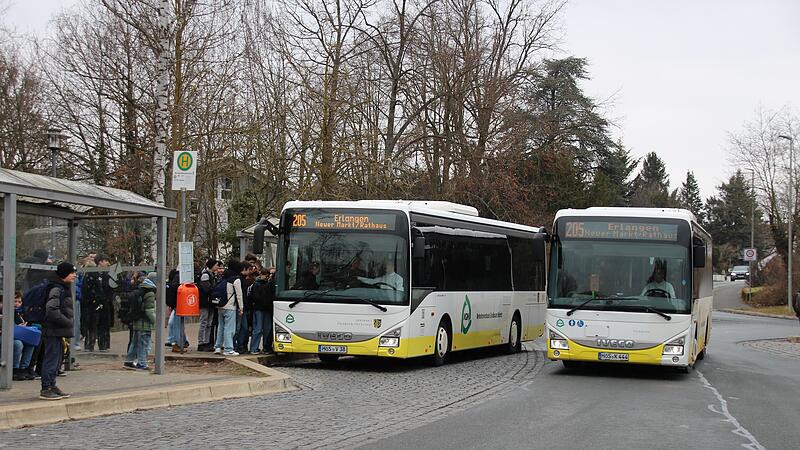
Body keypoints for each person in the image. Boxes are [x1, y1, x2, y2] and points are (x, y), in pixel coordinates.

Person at [39, 262, 76, 400]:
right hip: (53, 329)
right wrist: (66, 322)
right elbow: (51, 310)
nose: (74, 275)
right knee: (51, 359)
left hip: (57, 330)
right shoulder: (56, 289)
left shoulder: (62, 287)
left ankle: (52, 385)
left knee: (57, 359)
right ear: (64, 274)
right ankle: (46, 388)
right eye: (72, 273)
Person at [123, 272, 157, 371]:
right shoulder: (150, 292)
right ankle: (142, 363)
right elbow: (149, 310)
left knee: (135, 343)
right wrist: (156, 322)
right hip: (144, 323)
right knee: (144, 344)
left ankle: (129, 361)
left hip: (137, 321)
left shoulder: (141, 289)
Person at [83, 254, 114, 352]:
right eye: (106, 261)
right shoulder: (91, 273)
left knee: (104, 324)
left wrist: (107, 299)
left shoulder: (107, 274)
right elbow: (86, 289)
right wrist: (94, 299)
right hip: (93, 304)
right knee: (92, 324)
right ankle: (89, 345)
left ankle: (103, 345)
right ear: (100, 262)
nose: (108, 263)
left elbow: (112, 288)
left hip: (105, 303)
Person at [215, 260, 244, 356]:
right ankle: (228, 349)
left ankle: (218, 347)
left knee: (220, 327)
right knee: (229, 328)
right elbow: (239, 295)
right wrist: (241, 307)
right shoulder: (236, 279)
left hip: (220, 305)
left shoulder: (223, 277)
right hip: (230, 306)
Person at [197, 259, 221, 352]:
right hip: (205, 302)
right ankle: (201, 342)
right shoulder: (206, 275)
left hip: (210, 302)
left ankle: (206, 341)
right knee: (204, 322)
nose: (217, 267)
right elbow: (206, 289)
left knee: (209, 323)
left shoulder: (213, 275)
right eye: (216, 265)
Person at [249, 268, 274, 354]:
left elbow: (255, 297)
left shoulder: (256, 284)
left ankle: (254, 348)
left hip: (259, 308)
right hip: (264, 309)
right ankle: (262, 347)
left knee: (258, 329)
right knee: (265, 329)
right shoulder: (266, 284)